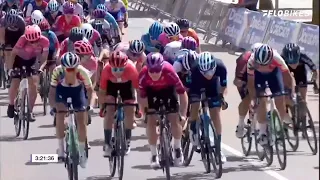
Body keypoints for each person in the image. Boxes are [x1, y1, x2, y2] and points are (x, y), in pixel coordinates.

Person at [138, 52, 188, 168]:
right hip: (152, 92)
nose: (154, 74)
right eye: (152, 71)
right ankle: (154, 154)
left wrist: (183, 114)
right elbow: (142, 97)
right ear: (147, 69)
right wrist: (145, 112)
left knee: (174, 118)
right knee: (150, 120)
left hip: (168, 91)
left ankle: (177, 148)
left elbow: (182, 92)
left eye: (157, 70)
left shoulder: (169, 71)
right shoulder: (143, 75)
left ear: (162, 67)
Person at [49, 52, 93, 168]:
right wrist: (53, 106)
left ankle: (82, 151)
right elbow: (52, 91)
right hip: (61, 91)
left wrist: (88, 106)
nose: (70, 71)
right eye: (67, 69)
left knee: (81, 122)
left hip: (77, 91)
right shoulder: (57, 71)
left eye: (72, 68)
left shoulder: (82, 72)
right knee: (60, 115)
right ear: (63, 67)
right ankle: (61, 149)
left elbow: (89, 90)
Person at [246, 44, 294, 146]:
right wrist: (253, 98)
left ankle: (278, 128)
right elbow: (250, 83)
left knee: (280, 100)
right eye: (261, 65)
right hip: (258, 76)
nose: (263, 67)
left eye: (265, 65)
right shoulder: (251, 61)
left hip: (274, 74)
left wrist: (289, 91)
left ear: (271, 59)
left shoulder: (277, 58)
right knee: (262, 100)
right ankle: (262, 132)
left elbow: (287, 76)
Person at [188, 51, 228, 163]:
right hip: (197, 83)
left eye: (210, 71)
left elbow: (224, 87)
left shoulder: (221, 66)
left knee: (215, 112)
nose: (208, 75)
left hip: (213, 85)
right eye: (205, 72)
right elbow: (190, 90)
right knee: (195, 105)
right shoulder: (195, 69)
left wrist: (221, 98)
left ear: (214, 66)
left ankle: (218, 149)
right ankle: (193, 130)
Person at [98, 51, 139, 156]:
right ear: (110, 67)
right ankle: (107, 143)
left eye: (121, 69)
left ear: (125, 66)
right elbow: (102, 92)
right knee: (109, 111)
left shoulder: (131, 69)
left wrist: (138, 107)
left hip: (127, 87)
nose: (118, 72)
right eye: (115, 69)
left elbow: (138, 90)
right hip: (111, 86)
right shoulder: (106, 70)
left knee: (130, 111)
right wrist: (103, 107)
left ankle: (127, 140)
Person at [7, 25, 49, 121]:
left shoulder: (45, 41)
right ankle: (11, 104)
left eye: (36, 41)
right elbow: (13, 54)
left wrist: (41, 68)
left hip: (32, 60)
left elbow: (44, 58)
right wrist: (10, 69)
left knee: (34, 84)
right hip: (19, 60)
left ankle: (29, 111)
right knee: (15, 81)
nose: (34, 43)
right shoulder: (22, 39)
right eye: (31, 42)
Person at [234, 42, 262, 138]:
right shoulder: (244, 59)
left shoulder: (265, 57)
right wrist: (245, 85)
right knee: (247, 98)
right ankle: (240, 124)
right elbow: (237, 81)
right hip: (244, 77)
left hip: (256, 75)